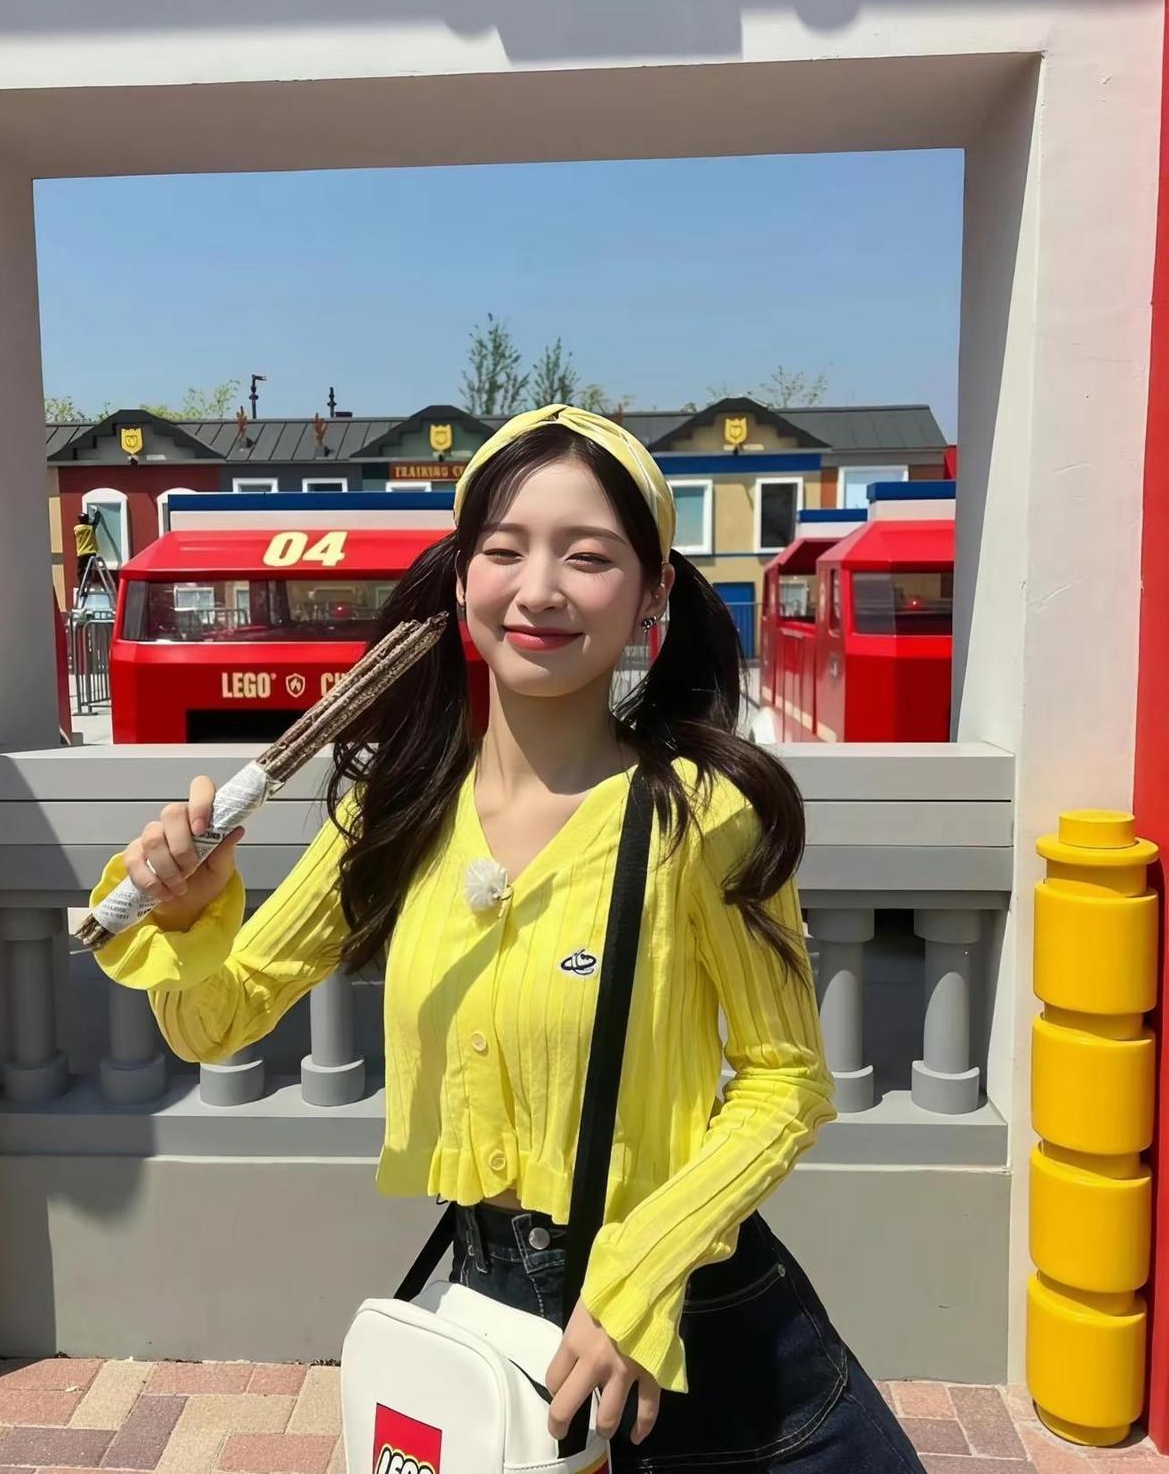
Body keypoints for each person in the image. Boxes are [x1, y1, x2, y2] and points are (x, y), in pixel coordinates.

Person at [88, 405, 924, 1471]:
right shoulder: (394, 812)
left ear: (653, 591)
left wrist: (638, 1275)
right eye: (503, 549)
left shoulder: (701, 812)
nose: (538, 589)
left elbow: (785, 1081)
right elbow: (216, 1022)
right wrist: (185, 917)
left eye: (589, 556)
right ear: (459, 577)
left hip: (706, 1330)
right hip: (495, 1321)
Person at [73, 509, 100, 590]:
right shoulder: (91, 528)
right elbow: (96, 521)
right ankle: (88, 582)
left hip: (81, 553)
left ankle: (82, 586)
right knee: (89, 569)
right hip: (91, 552)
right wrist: (97, 512)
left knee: (81, 570)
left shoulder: (76, 529)